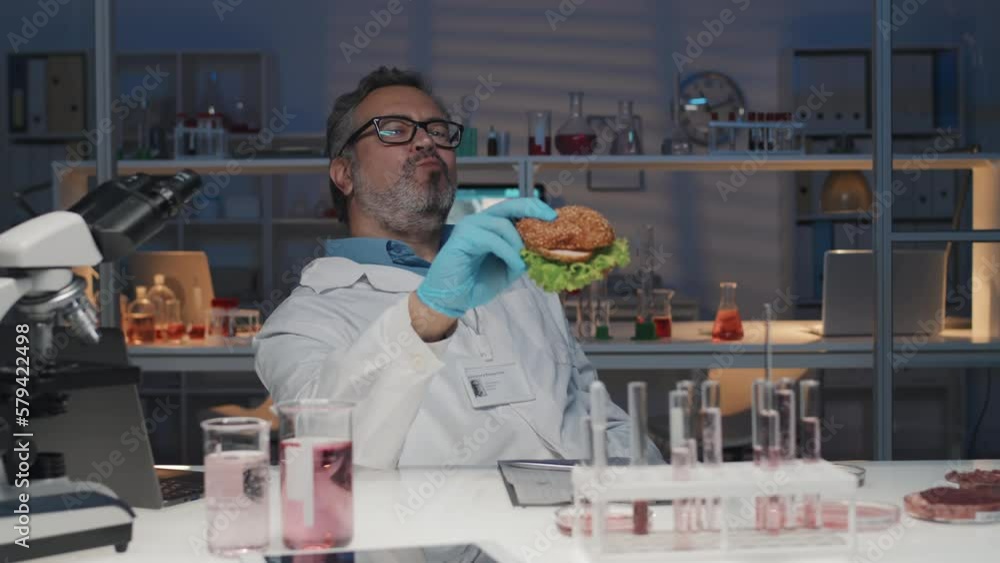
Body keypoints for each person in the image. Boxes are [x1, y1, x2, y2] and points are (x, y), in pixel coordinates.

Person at [254, 66, 660, 468]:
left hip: (589, 523)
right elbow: (329, 457)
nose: (426, 142)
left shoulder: (519, 280)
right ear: (344, 174)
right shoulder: (300, 322)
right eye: (394, 129)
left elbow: (599, 415)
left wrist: (648, 486)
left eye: (438, 130)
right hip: (457, 532)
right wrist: (427, 313)